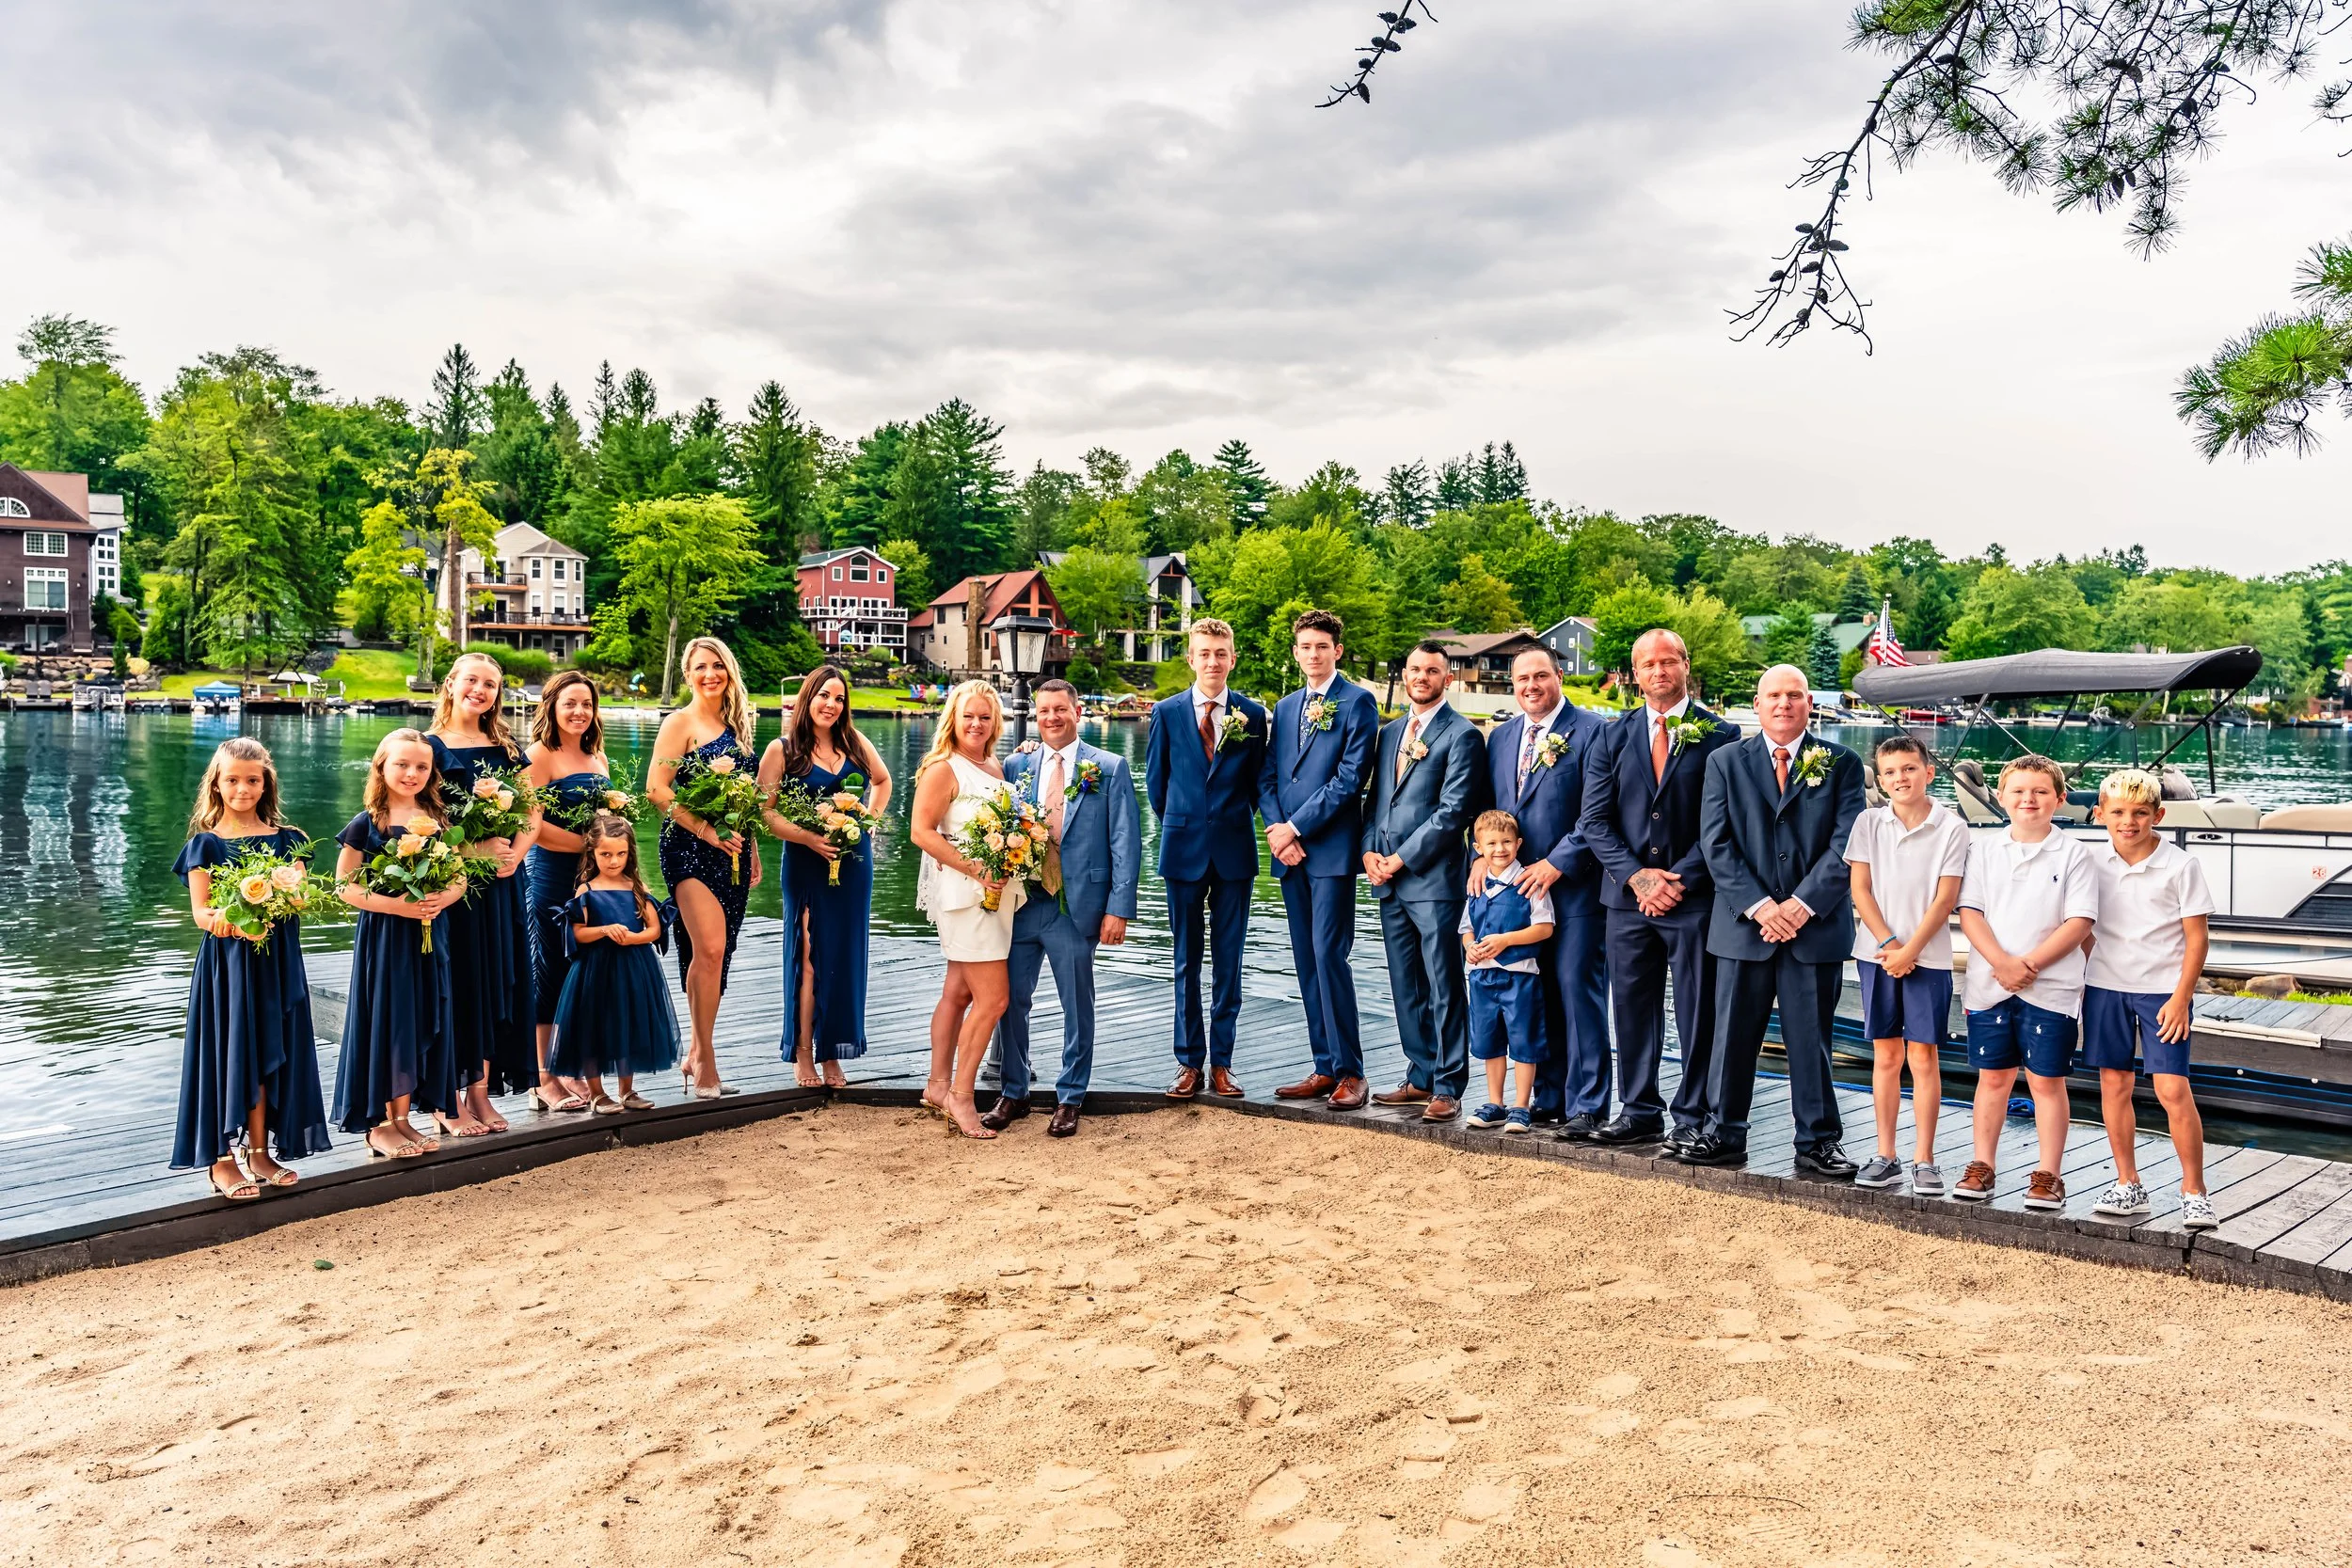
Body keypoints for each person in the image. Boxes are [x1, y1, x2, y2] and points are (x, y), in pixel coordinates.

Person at [1688, 664, 1867, 1172]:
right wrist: (1762, 905)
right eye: (1773, 695)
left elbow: (1847, 844)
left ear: (1809, 703)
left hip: (1815, 926)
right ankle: (1723, 1133)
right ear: (1758, 703)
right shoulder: (1725, 761)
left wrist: (1800, 905)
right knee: (1731, 1036)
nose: (1783, 703)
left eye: (1794, 695)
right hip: (1744, 924)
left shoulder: (1842, 762)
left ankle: (1817, 1142)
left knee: (1811, 1040)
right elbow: (1715, 842)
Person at [1577, 627, 1740, 1148]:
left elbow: (1723, 825)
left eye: (1668, 662)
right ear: (1635, 673)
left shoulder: (1722, 735)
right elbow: (1595, 820)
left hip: (1694, 899)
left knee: (1695, 1009)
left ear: (1685, 666)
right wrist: (1638, 877)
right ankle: (1639, 1109)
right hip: (1625, 900)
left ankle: (1692, 1114)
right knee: (1630, 1003)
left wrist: (1680, 878)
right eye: (1648, 665)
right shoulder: (1611, 734)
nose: (1659, 672)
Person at [171, 737, 331, 1199]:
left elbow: (301, 898)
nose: (243, 788)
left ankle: (259, 1153)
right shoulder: (205, 845)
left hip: (278, 962)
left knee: (269, 1051)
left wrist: (286, 895)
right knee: (229, 1053)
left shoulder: (290, 840)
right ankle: (223, 1161)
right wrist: (232, 921)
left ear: (267, 784)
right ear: (217, 785)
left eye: (253, 780)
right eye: (233, 780)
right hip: (229, 968)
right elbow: (201, 914)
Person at [985, 679, 1143, 1138]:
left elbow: (1125, 842)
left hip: (1077, 907)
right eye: (1043, 711)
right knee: (1010, 1000)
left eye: (1060, 709)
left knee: (1078, 1002)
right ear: (1035, 715)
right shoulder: (1016, 765)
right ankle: (1013, 1091)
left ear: (1077, 712)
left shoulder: (1107, 767)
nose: (1052, 717)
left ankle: (1070, 1096)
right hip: (1022, 902)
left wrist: (1120, 907)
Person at [1953, 754, 2098, 1210]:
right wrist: (2002, 962)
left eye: (2039, 791)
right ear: (2001, 797)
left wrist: (2029, 964)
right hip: (1989, 982)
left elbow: (2079, 921)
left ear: (2059, 798)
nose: (2028, 799)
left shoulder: (2075, 853)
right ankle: (1982, 1165)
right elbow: (1970, 912)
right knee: (1992, 1079)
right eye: (2017, 791)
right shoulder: (1983, 850)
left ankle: (2049, 1174)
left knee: (2045, 1081)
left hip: (2051, 988)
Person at [1482, 645, 1611, 1133]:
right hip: (1518, 893)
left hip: (1574, 887)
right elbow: (1496, 812)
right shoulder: (1502, 737)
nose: (1530, 686)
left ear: (1559, 676)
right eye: (1521, 680)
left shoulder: (1594, 731)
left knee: (1579, 994)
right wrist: (1482, 856)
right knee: (1536, 992)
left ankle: (1587, 1106)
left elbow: (1599, 812)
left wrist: (1558, 863)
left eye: (1540, 676)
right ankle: (1549, 1097)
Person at [2082, 768, 2218, 1229]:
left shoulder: (2181, 865)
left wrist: (2182, 998)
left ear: (2158, 815)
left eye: (2140, 813)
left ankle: (2194, 1189)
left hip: (2163, 991)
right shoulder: (2090, 864)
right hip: (2105, 987)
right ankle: (2128, 1183)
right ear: (2100, 814)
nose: (2129, 821)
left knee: (2171, 1089)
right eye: (2118, 812)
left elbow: (2196, 940)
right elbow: (2081, 926)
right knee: (2114, 1084)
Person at [1259, 609, 1380, 1110]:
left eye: (1321, 646)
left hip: (1329, 851)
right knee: (1305, 959)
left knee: (1330, 955)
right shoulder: (1286, 707)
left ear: (1337, 651)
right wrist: (1274, 829)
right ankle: (1323, 1065)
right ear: (1296, 652)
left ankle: (1352, 1071)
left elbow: (1350, 780)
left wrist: (1296, 826)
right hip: (1289, 853)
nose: (1313, 653)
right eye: (1305, 646)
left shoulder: (1358, 703)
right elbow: (1267, 776)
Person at [1364, 640, 1486, 1123]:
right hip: (1387, 880)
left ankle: (1448, 1083)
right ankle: (1419, 1074)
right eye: (1414, 668)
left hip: (1433, 879)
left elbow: (1453, 811)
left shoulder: (1462, 735)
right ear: (1406, 672)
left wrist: (1399, 858)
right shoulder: (1391, 731)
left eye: (1432, 670)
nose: (1422, 676)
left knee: (1443, 983)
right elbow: (1379, 801)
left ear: (1447, 678)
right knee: (1404, 984)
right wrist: (1370, 853)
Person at [1145, 618, 1267, 1101]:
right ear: (1191, 659)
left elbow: (1259, 785)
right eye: (1204, 653)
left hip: (1235, 850)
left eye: (1221, 653)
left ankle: (1223, 1064)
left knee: (1229, 962)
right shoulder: (1168, 712)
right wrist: (1185, 819)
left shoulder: (1252, 715)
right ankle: (1188, 1062)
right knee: (1184, 960)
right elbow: (1158, 786)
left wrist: (1229, 819)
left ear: (1232, 658)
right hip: (1183, 849)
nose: (1213, 661)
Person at [1845, 734, 1970, 1194]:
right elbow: (1861, 889)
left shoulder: (1952, 827)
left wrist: (1911, 950)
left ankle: (1925, 1159)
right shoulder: (1868, 823)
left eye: (1909, 769)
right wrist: (1890, 942)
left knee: (1923, 1056)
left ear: (1928, 772)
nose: (1900, 778)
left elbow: (1946, 899)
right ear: (1880, 779)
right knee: (1886, 1055)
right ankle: (1885, 1153)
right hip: (1876, 953)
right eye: (1891, 772)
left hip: (1929, 958)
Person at [332, 729, 466, 1159]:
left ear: (432, 773)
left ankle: (405, 1119)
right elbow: (344, 888)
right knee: (389, 1022)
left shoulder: (440, 821)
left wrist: (444, 897)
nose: (411, 773)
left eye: (422, 767)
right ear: (381, 767)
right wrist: (398, 908)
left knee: (421, 1017)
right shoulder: (367, 822)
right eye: (402, 765)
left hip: (432, 935)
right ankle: (380, 1125)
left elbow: (460, 877)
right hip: (387, 937)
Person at [759, 665, 893, 1089]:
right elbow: (765, 813)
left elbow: (883, 780)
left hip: (852, 864)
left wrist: (868, 818)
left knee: (844, 957)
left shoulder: (854, 743)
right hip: (805, 864)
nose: (831, 705)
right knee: (810, 956)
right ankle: (803, 1051)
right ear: (807, 698)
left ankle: (833, 1050)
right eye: (824, 695)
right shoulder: (782, 750)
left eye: (839, 698)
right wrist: (809, 839)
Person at [425, 651, 539, 1136]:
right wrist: (473, 849)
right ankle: (447, 1099)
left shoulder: (506, 747)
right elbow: (422, 822)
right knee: (460, 985)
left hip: (502, 884)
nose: (481, 690)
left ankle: (480, 1092)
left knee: (497, 983)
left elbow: (532, 812)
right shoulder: (428, 748)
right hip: (455, 886)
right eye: (472, 680)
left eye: (491, 684)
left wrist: (515, 853)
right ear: (451, 684)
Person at [908, 680, 1025, 1139]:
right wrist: (976, 868)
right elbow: (921, 831)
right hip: (966, 896)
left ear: (996, 721)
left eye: (985, 716)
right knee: (994, 999)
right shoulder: (943, 768)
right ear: (952, 719)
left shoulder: (994, 764)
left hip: (994, 895)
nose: (976, 724)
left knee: (958, 994)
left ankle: (937, 1085)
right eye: (968, 716)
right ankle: (961, 1094)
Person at [649, 636, 762, 1100]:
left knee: (717, 955)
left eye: (718, 665)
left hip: (732, 852)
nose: (710, 674)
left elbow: (744, 799)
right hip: (688, 847)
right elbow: (657, 788)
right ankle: (708, 1061)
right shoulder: (681, 722)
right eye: (700, 667)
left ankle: (696, 1052)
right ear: (687, 674)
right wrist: (705, 831)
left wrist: (750, 847)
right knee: (710, 950)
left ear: (729, 671)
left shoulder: (738, 725)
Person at [548, 814, 680, 1113]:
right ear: (592, 852)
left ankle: (627, 1090)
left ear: (629, 852)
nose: (613, 860)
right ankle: (596, 1093)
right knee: (595, 1026)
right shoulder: (587, 891)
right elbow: (578, 933)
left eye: (620, 854)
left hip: (634, 968)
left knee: (628, 1023)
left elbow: (654, 930)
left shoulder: (636, 887)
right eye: (605, 854)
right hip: (596, 969)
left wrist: (632, 938)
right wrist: (605, 930)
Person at [524, 670, 612, 1115]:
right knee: (550, 970)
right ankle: (543, 1077)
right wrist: (590, 846)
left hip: (590, 880)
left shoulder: (599, 758)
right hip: (551, 876)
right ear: (552, 708)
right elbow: (533, 828)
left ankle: (569, 1063)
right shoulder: (538, 756)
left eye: (586, 705)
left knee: (583, 970)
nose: (579, 712)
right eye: (570, 704)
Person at [1459, 811, 1557, 1135]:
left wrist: (1506, 940)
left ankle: (1521, 1105)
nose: (1499, 849)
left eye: (1506, 842)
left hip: (1519, 977)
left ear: (1518, 844)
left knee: (1524, 1041)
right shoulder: (1477, 885)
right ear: (1478, 848)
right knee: (1490, 1042)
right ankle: (1495, 1103)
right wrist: (1471, 946)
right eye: (1491, 843)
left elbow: (1544, 928)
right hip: (1482, 978)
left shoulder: (1528, 883)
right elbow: (1467, 929)